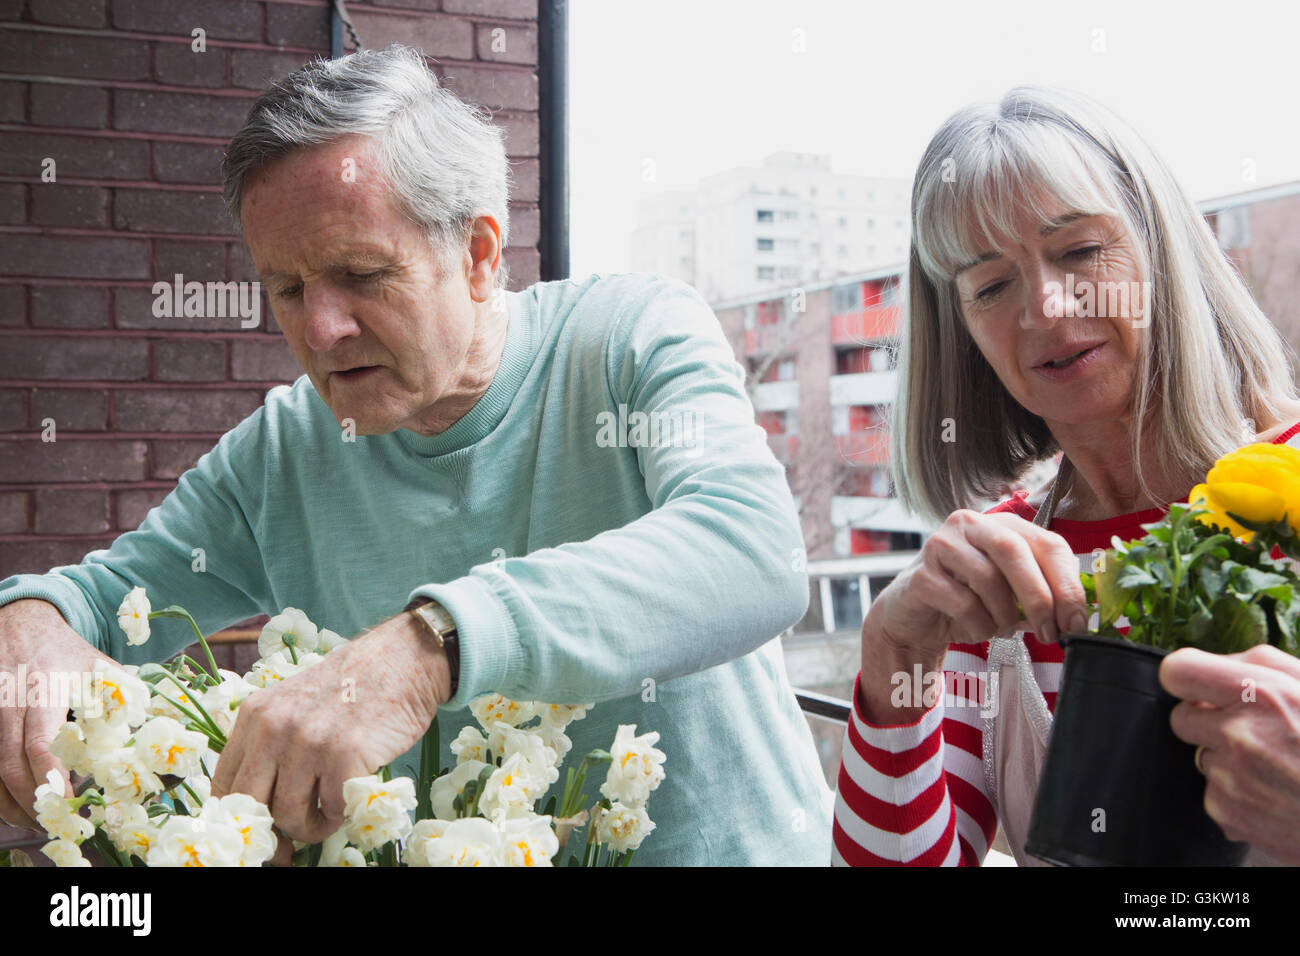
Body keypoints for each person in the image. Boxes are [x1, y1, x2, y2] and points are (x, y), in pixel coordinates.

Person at [0, 45, 833, 865]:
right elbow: (98, 600)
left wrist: (432, 645)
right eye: (287, 290)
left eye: (360, 273)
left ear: (478, 255)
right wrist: (31, 624)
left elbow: (756, 550)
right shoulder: (282, 454)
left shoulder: (631, 338)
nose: (320, 330)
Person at [831, 85, 1300, 866]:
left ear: (1162, 248)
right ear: (963, 334)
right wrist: (891, 651)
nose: (1045, 309)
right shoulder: (994, 578)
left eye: (1081, 249)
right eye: (991, 285)